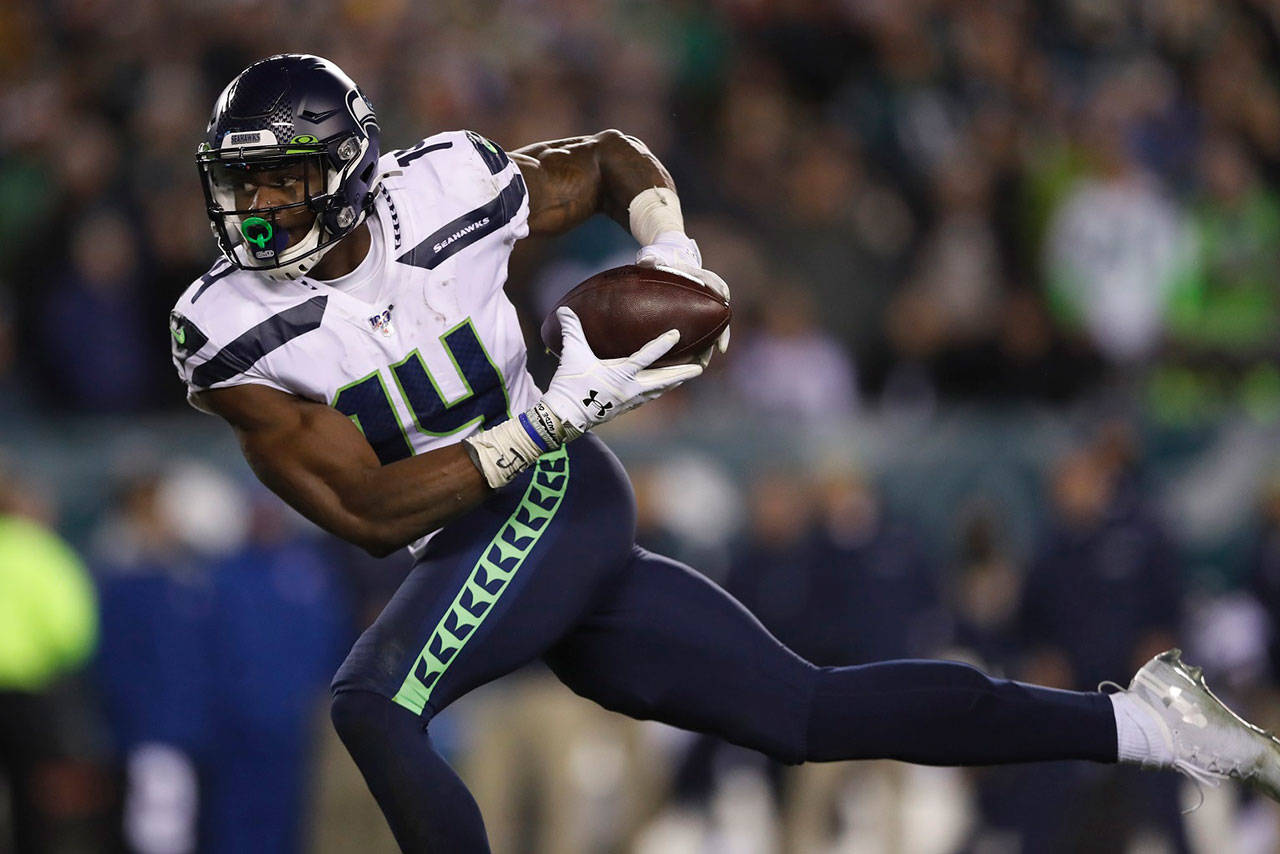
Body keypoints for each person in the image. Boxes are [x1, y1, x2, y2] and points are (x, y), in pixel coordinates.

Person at [170, 54, 1280, 852]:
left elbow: (609, 159)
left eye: (283, 178)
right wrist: (547, 417)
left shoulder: (444, 190)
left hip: (553, 500)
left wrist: (677, 254)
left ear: (352, 166)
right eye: (243, 183)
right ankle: (1147, 722)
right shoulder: (224, 326)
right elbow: (365, 509)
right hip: (496, 499)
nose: (257, 209)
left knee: (373, 702)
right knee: (803, 712)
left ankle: (1150, 723)